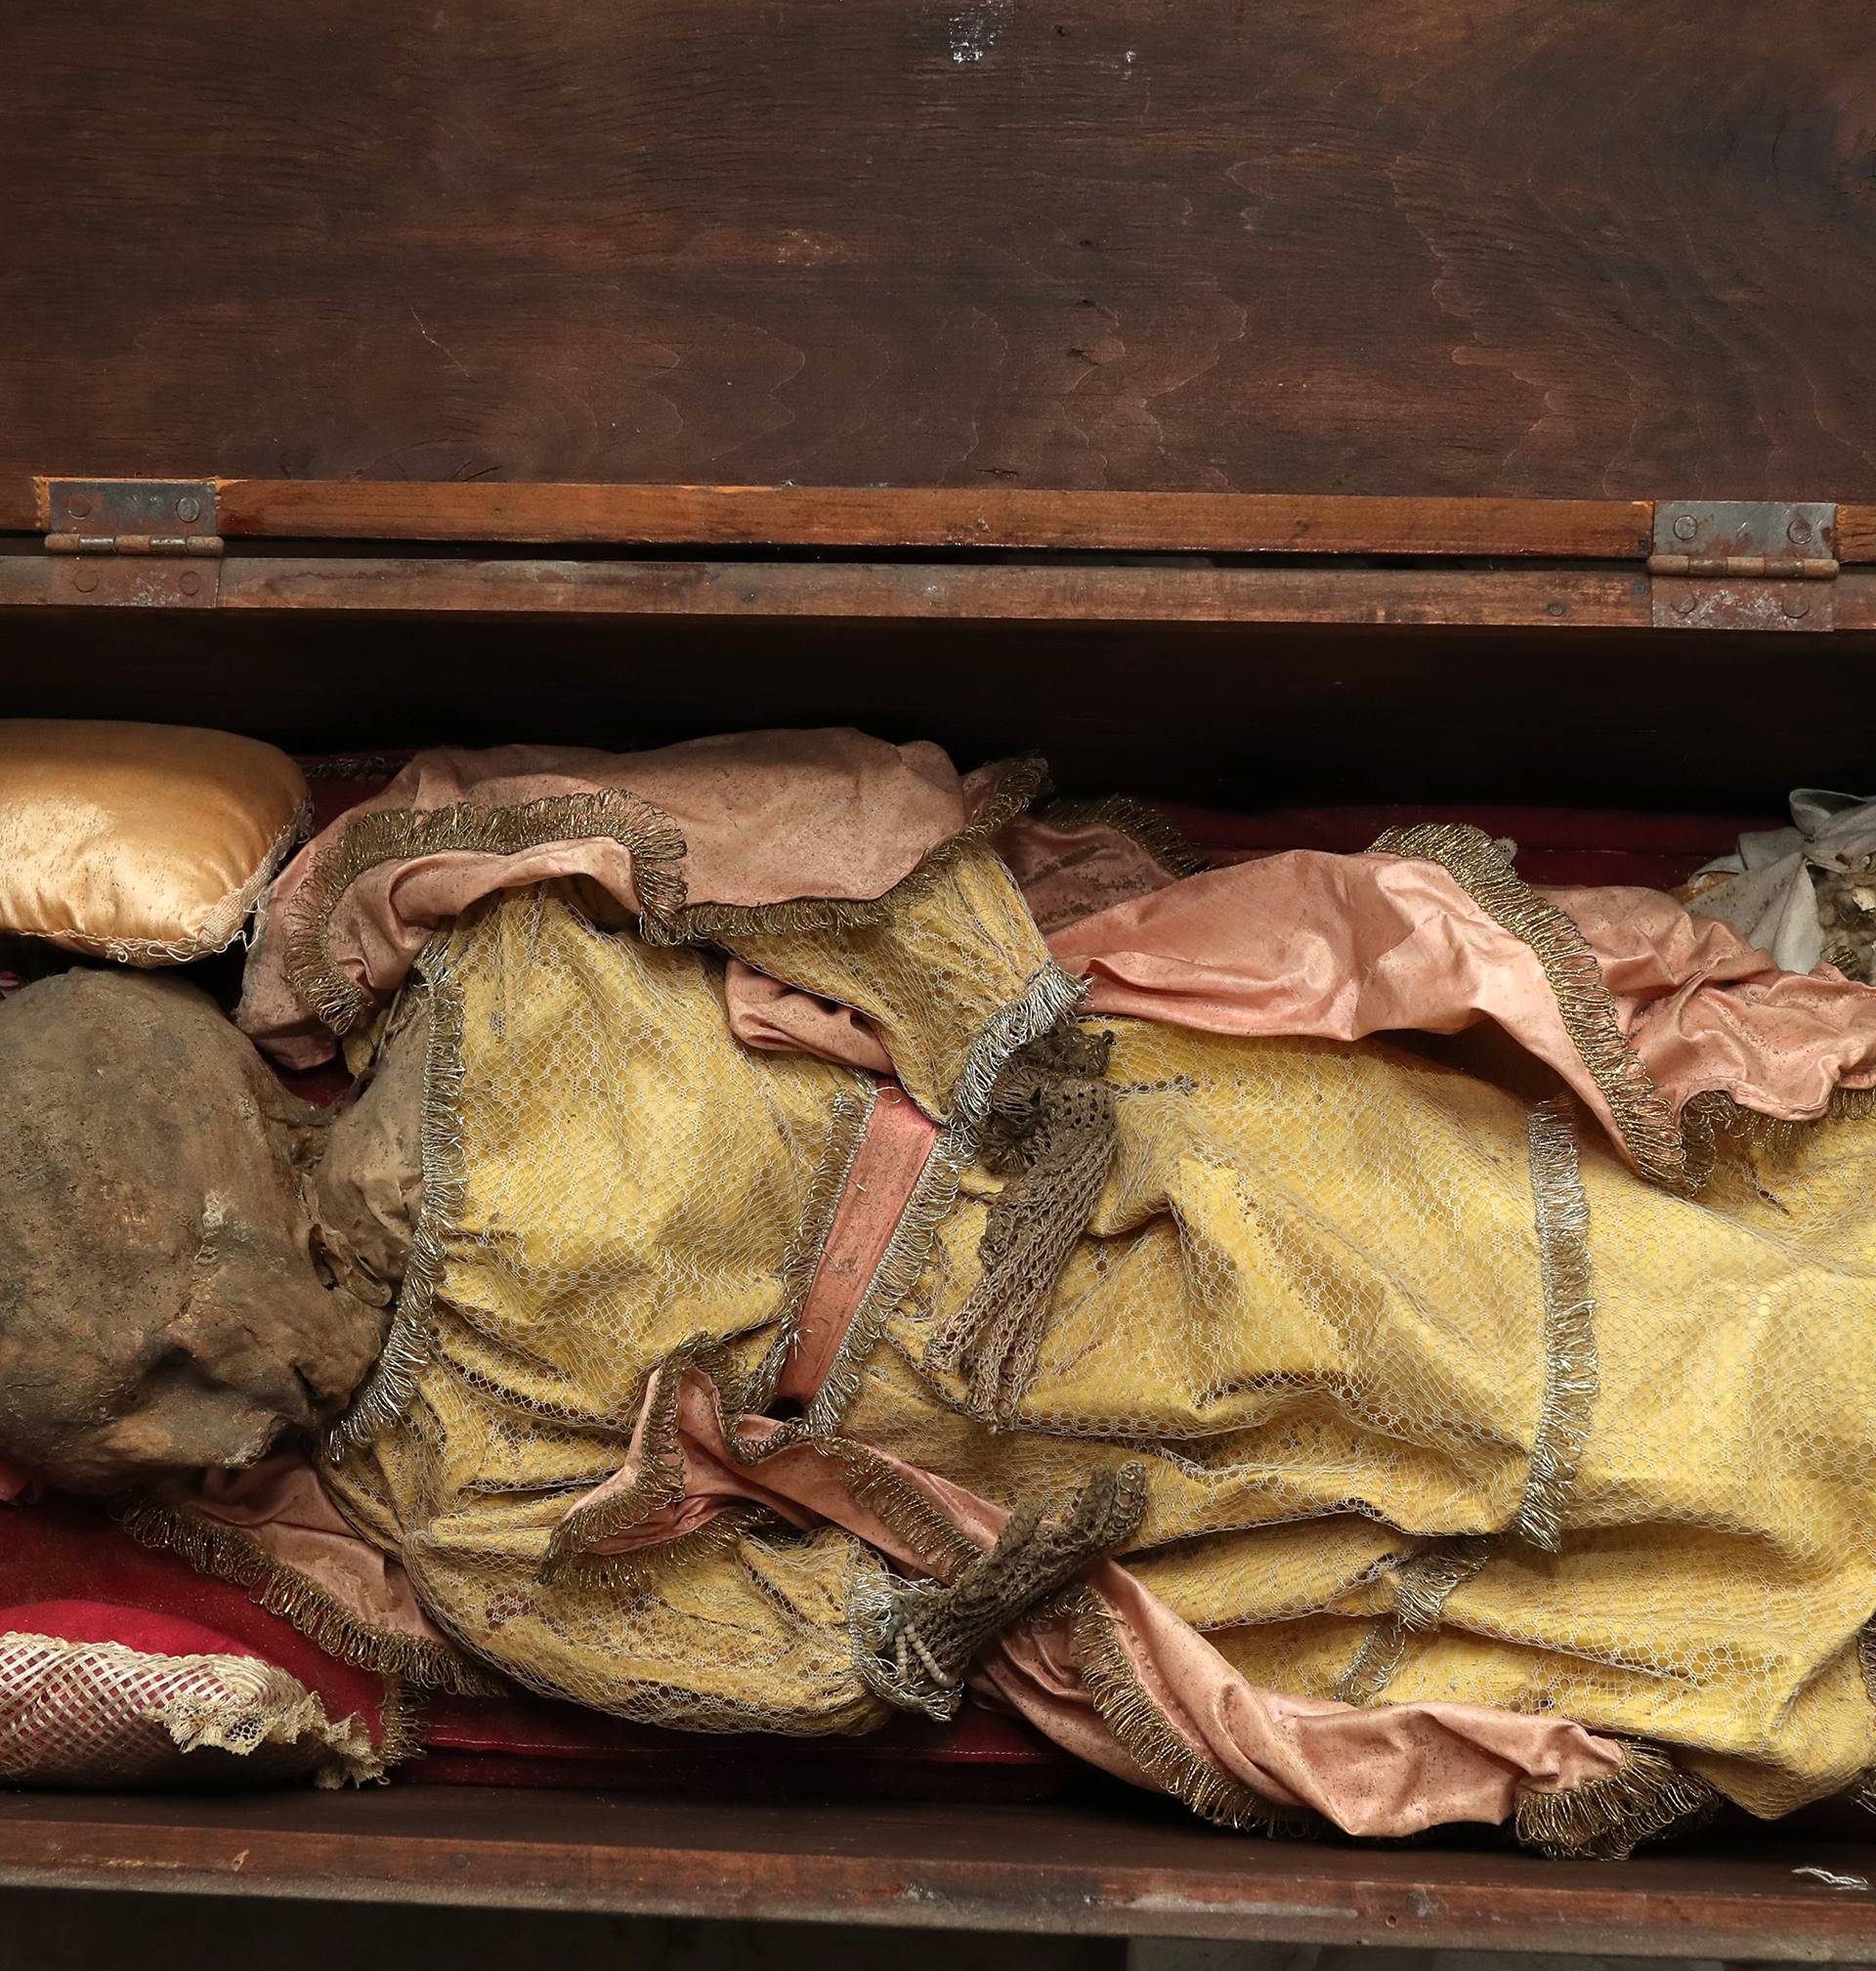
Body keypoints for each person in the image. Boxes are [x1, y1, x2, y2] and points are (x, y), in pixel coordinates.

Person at [10, 727, 1876, 1855]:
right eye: (132, 1446)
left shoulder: (491, 985)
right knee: (1528, 1486)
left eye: (153, 1376)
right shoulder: (437, 1495)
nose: (196, 1448)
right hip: (1052, 1462)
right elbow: (707, 1651)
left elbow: (828, 849)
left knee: (1527, 1260)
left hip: (1114, 1144)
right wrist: (935, 1596)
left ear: (206, 1197)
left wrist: (1003, 1059)